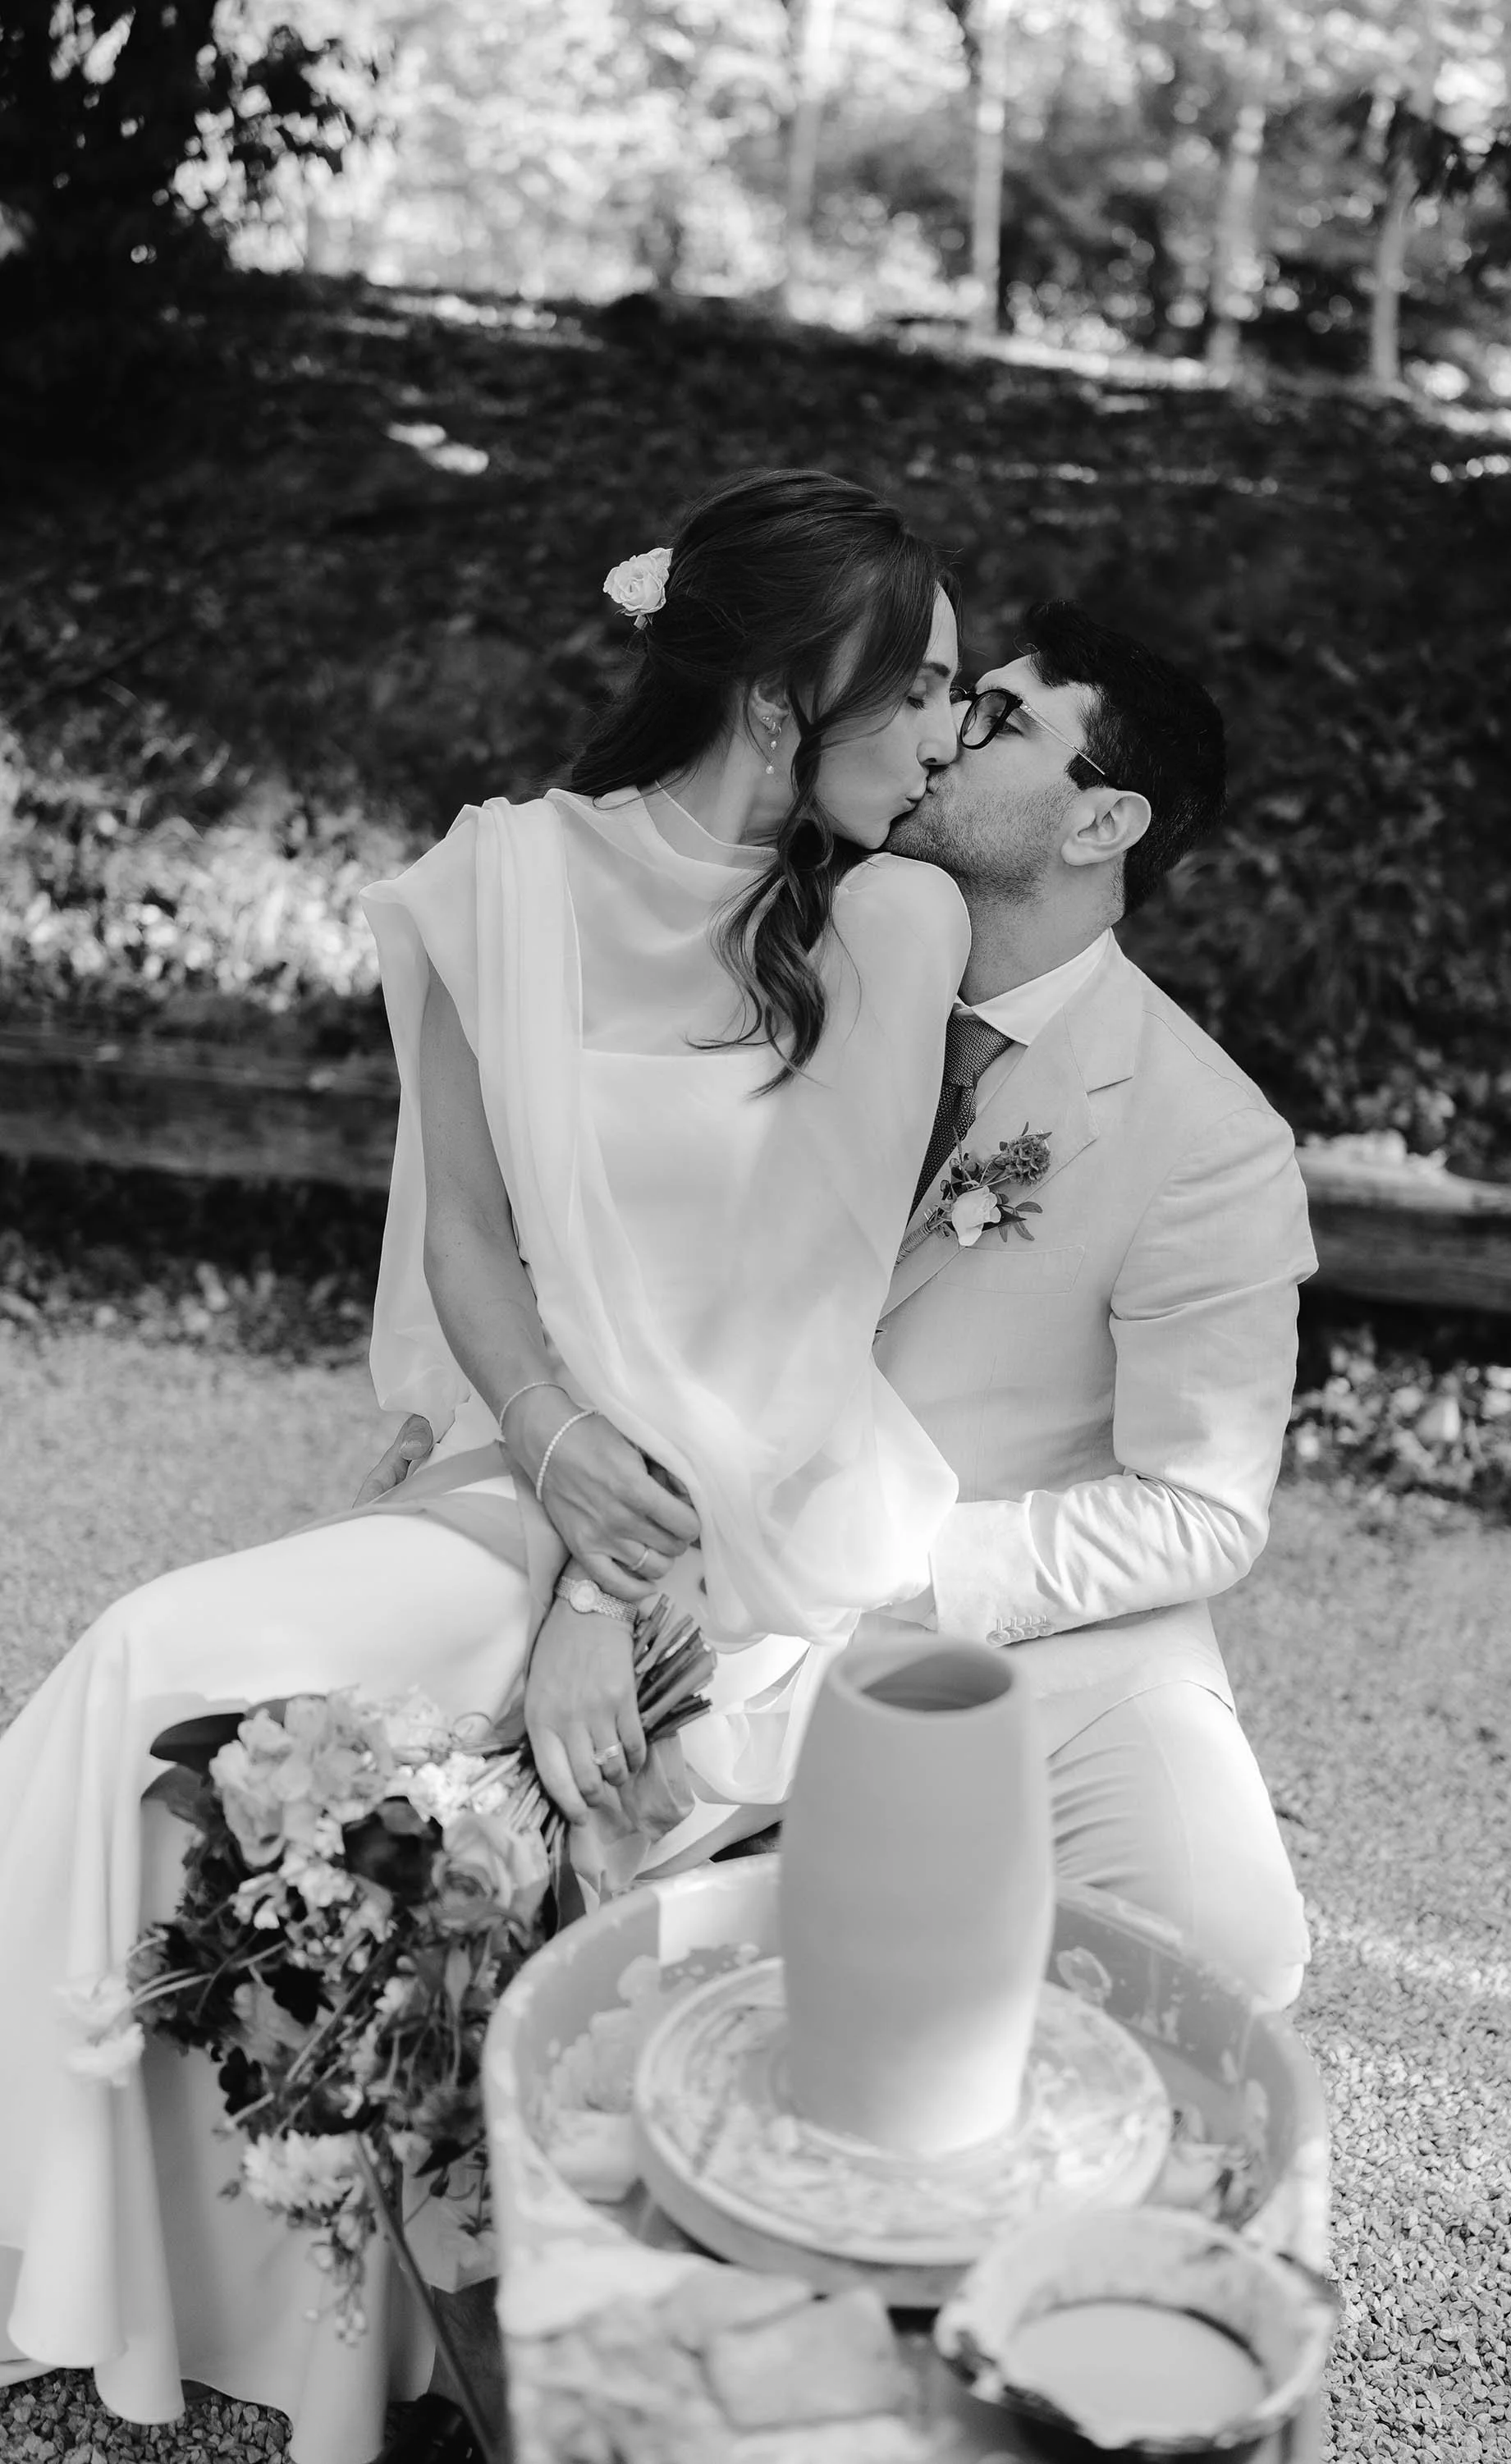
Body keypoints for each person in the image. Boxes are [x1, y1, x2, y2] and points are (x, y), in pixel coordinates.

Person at [0, 469, 973, 2464]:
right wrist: (546, 1493)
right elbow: (466, 1240)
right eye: (923, 693)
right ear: (789, 696)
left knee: (316, 1710)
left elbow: (799, 1326)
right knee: (139, 1657)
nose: (949, 739)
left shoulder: (890, 919)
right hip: (522, 1466)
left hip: (746, 1521)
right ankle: (74, 2263)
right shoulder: (503, 875)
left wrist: (608, 1591)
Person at [374, 599, 1318, 2011]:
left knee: (1219, 1952)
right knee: (422, 1838)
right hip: (678, 1525)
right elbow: (609, 1260)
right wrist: (581, 1517)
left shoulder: (1206, 1136)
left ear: (1099, 825)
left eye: (998, 718)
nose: (940, 735)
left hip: (984, 1593)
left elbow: (1203, 1507)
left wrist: (890, 1572)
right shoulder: (777, 938)